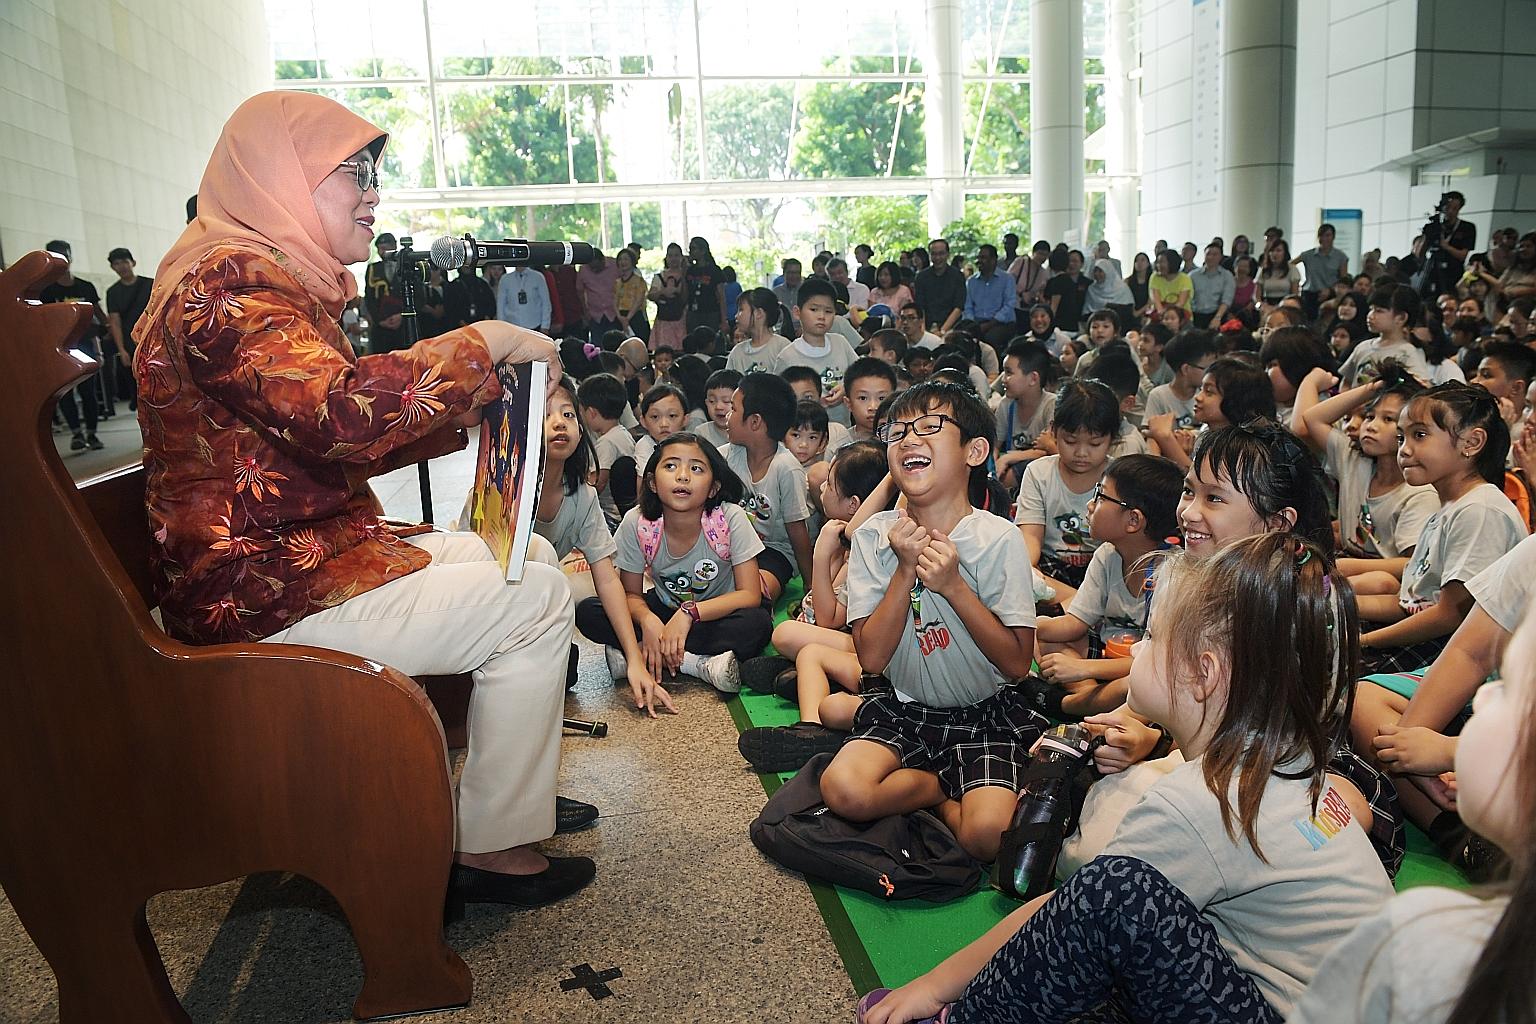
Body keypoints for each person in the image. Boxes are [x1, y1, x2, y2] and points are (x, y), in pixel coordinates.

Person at [131, 90, 593, 908]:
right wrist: (482, 341)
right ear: (282, 174)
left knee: (533, 556)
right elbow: (339, 414)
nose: (374, 191)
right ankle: (489, 845)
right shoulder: (227, 284)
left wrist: (476, 405)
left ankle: (492, 802)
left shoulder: (261, 274)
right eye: (354, 171)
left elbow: (317, 437)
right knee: (537, 596)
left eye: (375, 171)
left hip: (298, 561)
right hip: (265, 592)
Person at [860, 532, 1391, 1024]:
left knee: (1117, 892)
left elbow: (1077, 909)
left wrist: (935, 988)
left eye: (1151, 636)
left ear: (1203, 674)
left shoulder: (1205, 800)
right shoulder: (1288, 764)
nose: (1135, 649)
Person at [819, 381, 1045, 863]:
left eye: (929, 427)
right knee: (844, 791)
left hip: (984, 714)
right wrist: (905, 570)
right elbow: (873, 658)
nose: (907, 439)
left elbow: (1017, 664)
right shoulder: (875, 538)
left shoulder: (996, 538)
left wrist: (955, 586)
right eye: (897, 431)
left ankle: (938, 797)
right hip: (907, 708)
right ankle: (939, 789)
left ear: (975, 451)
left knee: (987, 838)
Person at [577, 433, 772, 693]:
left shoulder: (729, 517)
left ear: (713, 487)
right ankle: (697, 662)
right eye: (670, 466)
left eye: (696, 468)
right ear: (652, 482)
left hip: (716, 614)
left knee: (756, 626)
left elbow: (749, 595)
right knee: (589, 611)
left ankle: (645, 654)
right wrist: (648, 620)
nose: (682, 476)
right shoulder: (639, 522)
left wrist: (689, 613)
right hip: (664, 610)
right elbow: (630, 594)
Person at [737, 443, 891, 772]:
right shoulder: (850, 540)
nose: (822, 487)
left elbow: (827, 617)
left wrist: (821, 554)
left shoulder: (865, 544)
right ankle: (811, 715)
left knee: (790, 637)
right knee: (804, 650)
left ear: (853, 505)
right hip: (863, 650)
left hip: (871, 655)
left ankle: (812, 727)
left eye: (831, 484)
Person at [1354, 383, 1525, 674]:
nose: (1405, 450)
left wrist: (1365, 641)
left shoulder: (1479, 510)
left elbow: (1449, 616)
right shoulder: (1448, 507)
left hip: (1464, 653)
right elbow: (1410, 602)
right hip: (1435, 638)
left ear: (1471, 443)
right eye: (1401, 437)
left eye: (1419, 435)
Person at [535, 377, 669, 716]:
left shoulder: (583, 496)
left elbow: (608, 580)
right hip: (496, 605)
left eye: (568, 414)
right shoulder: (507, 487)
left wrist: (634, 660)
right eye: (545, 413)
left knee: (563, 674)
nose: (559, 422)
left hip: (541, 610)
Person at [1030, 454, 1184, 718]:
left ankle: (1074, 704)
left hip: (1142, 667)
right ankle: (1092, 702)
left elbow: (1157, 660)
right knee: (1048, 641)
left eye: (1101, 496)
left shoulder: (1171, 572)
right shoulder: (1107, 555)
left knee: (1135, 684)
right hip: (1105, 655)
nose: (1090, 505)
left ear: (1133, 521)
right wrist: (1028, 625)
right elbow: (1074, 624)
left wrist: (1084, 668)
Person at [1293, 365, 1436, 585]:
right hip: (1345, 565)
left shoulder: (1418, 494)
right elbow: (1313, 418)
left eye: (1388, 419)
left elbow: (1412, 563)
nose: (1371, 426)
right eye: (1370, 416)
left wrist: (1351, 566)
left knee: (1379, 581)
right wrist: (1375, 387)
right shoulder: (1354, 461)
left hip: (1388, 584)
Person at [1016, 380, 1121, 592]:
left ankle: (1075, 608)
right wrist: (1027, 566)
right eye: (1071, 441)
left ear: (1113, 438)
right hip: (1052, 568)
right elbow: (1030, 534)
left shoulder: (1121, 479)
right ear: (1053, 431)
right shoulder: (1039, 473)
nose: (1081, 453)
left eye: (1094, 444)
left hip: (1102, 568)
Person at [723, 373, 814, 601]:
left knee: (757, 595)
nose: (727, 416)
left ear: (754, 422)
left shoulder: (786, 467)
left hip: (773, 552)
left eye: (733, 409)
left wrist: (811, 584)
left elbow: (797, 532)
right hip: (730, 547)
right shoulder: (726, 456)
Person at [40, 240, 106, 450]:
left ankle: (92, 434)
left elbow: (98, 318)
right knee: (66, 393)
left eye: (65, 254)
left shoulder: (85, 287)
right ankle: (77, 433)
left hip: (85, 346)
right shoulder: (45, 292)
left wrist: (99, 349)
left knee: (88, 392)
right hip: (59, 349)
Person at [773, 279, 859, 426]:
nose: (821, 316)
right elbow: (777, 399)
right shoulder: (787, 356)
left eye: (828, 311)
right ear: (797, 312)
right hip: (804, 434)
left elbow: (860, 375)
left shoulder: (840, 343)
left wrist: (846, 388)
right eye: (814, 310)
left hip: (842, 431)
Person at [1338, 283, 1433, 388]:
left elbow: (1423, 387)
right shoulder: (1363, 347)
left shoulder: (1407, 353)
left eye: (1379, 311)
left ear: (1401, 317)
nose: (1370, 316)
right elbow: (1347, 382)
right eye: (1371, 309)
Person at [577, 372, 637, 528]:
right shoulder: (623, 433)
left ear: (591, 413)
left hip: (610, 515)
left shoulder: (606, 442)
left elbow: (599, 482)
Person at [105, 246, 153, 412]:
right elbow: (115, 322)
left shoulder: (150, 284)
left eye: (125, 262)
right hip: (130, 344)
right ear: (112, 267)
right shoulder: (113, 292)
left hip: (153, 342)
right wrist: (121, 350)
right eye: (117, 263)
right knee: (138, 387)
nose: (122, 267)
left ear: (132, 262)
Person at [964, 244, 1015, 352]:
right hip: (977, 323)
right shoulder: (971, 281)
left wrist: (990, 323)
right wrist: (972, 323)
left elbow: (1009, 305)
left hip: (1001, 323)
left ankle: (994, 367)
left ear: (993, 260)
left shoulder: (1007, 279)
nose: (979, 261)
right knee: (962, 338)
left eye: (983, 258)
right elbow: (967, 306)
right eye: (978, 257)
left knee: (990, 339)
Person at [728, 287, 791, 375]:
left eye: (741, 310)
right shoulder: (737, 352)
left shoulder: (781, 346)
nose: (736, 316)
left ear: (759, 313)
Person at [1294, 223, 1349, 320]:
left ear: (1333, 237)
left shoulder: (1340, 257)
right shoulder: (1308, 255)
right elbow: (1290, 265)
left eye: (1327, 235)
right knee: (1307, 322)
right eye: (1321, 235)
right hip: (1309, 294)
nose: (1324, 239)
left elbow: (1343, 279)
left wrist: (1331, 290)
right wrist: (1296, 281)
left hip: (1330, 293)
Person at [914, 238, 967, 334]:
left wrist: (942, 331)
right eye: (934, 254)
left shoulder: (957, 276)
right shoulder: (921, 277)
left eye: (941, 253)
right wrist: (924, 332)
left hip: (953, 327)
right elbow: (920, 307)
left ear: (948, 254)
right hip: (926, 326)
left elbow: (958, 308)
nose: (937, 258)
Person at [362, 231, 404, 352]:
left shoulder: (407, 266)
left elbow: (419, 296)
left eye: (385, 248)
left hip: (404, 327)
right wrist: (379, 320)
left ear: (394, 246)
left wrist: (402, 316)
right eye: (379, 249)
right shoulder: (373, 269)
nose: (382, 252)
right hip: (381, 327)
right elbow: (369, 298)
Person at [684, 236, 728, 338]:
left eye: (694, 249)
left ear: (703, 251)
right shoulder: (690, 270)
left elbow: (721, 297)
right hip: (693, 313)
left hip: (710, 313)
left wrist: (723, 320)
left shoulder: (714, 270)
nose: (691, 252)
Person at [647, 243, 687, 350]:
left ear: (681, 257)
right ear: (666, 258)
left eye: (676, 255)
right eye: (670, 256)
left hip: (681, 320)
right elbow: (650, 295)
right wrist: (662, 292)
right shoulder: (659, 277)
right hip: (663, 321)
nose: (673, 259)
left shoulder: (687, 276)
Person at [1190, 243, 1236, 330]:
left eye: (1214, 254)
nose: (1211, 257)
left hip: (1217, 314)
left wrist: (1217, 318)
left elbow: (1226, 300)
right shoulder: (1193, 275)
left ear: (1220, 257)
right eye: (1208, 254)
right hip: (1195, 315)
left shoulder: (1227, 276)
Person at [497, 263, 552, 334]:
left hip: (535, 325)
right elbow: (500, 305)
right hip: (512, 325)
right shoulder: (505, 279)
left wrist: (545, 325)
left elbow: (546, 303)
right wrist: (501, 326)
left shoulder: (538, 277)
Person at [613, 247, 650, 344]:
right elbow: (615, 301)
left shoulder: (639, 281)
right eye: (620, 259)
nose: (622, 262)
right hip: (620, 317)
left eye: (626, 259)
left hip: (635, 317)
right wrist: (620, 317)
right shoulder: (617, 282)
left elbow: (638, 301)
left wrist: (627, 319)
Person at [1148, 249, 1193, 316]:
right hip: (1160, 315)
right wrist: (1162, 314)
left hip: (1181, 316)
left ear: (1172, 262)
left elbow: (1181, 303)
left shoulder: (1184, 278)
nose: (1159, 265)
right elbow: (1156, 300)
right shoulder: (1155, 277)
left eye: (1162, 262)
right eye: (1158, 262)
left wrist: (1168, 316)